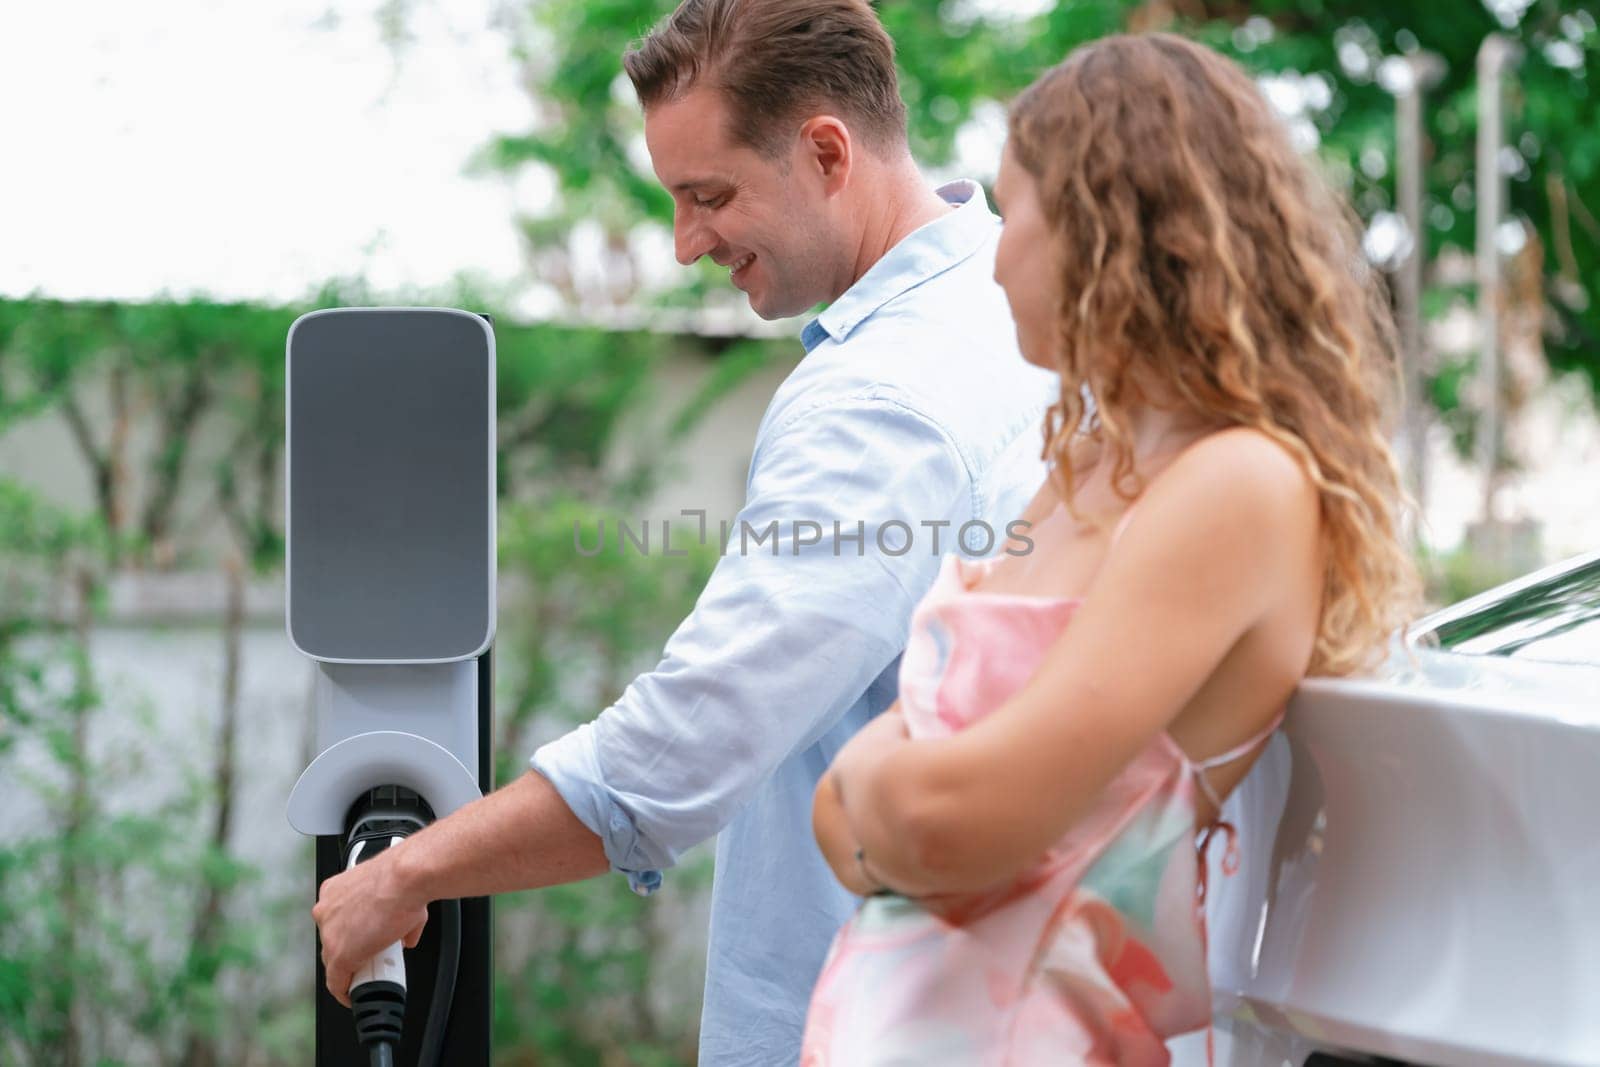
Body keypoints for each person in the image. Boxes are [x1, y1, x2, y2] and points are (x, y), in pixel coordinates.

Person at [311, 1, 1054, 1063]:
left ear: (826, 151)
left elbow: (683, 747)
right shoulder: (1014, 308)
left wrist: (405, 872)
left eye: (708, 196)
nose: (686, 242)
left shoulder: (880, 397)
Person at [802, 33, 1421, 1065]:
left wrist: (884, 789)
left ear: (1107, 228)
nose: (992, 254)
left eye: (1014, 211)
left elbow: (948, 820)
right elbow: (862, 825)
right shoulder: (1085, 460)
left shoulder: (1236, 482)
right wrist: (897, 808)